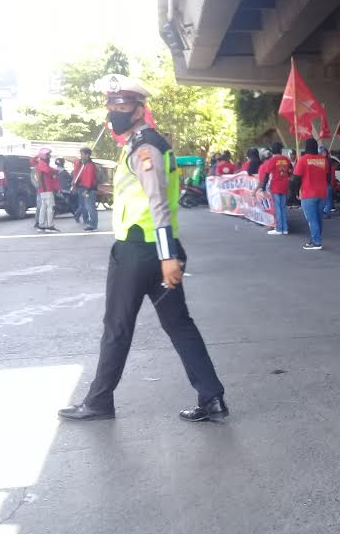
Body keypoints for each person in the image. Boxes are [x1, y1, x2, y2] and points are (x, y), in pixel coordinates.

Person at [59, 74, 227, 423]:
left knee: (117, 327)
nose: (115, 111)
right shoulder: (140, 144)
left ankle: (99, 401)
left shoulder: (145, 147)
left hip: (140, 253)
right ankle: (211, 398)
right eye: (111, 104)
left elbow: (158, 203)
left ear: (139, 109)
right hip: (156, 254)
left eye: (122, 105)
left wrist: (167, 256)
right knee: (179, 324)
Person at [291, 138, 328, 250]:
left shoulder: (302, 160)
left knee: (312, 219)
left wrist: (296, 192)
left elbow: (296, 178)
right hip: (322, 193)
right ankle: (315, 238)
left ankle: (316, 242)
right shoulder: (323, 159)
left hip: (308, 193)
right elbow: (326, 174)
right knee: (318, 218)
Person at [255, 142, 291, 235]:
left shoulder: (272, 160)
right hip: (285, 185)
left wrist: (263, 188)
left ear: (272, 150)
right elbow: (290, 170)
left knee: (277, 208)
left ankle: (279, 228)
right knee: (283, 207)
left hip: (275, 186)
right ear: (281, 150)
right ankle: (285, 228)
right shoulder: (286, 159)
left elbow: (266, 175)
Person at [73, 147, 99, 231]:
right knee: (88, 206)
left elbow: (90, 179)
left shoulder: (90, 165)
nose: (81, 156)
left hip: (89, 189)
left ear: (87, 155)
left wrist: (87, 190)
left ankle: (93, 224)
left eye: (82, 154)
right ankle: (91, 223)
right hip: (87, 188)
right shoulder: (86, 165)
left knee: (90, 207)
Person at [35, 148, 60, 232]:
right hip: (46, 188)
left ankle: (41, 225)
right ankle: (50, 225)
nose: (49, 156)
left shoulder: (40, 163)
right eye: (48, 155)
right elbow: (48, 170)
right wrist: (56, 171)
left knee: (44, 207)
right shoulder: (42, 164)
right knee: (50, 207)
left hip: (43, 189)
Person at [320, 145, 333, 219]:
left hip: (326, 181)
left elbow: (328, 171)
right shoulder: (327, 160)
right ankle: (325, 211)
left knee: (327, 198)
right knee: (325, 198)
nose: (323, 153)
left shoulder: (326, 161)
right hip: (324, 182)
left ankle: (327, 212)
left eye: (324, 151)